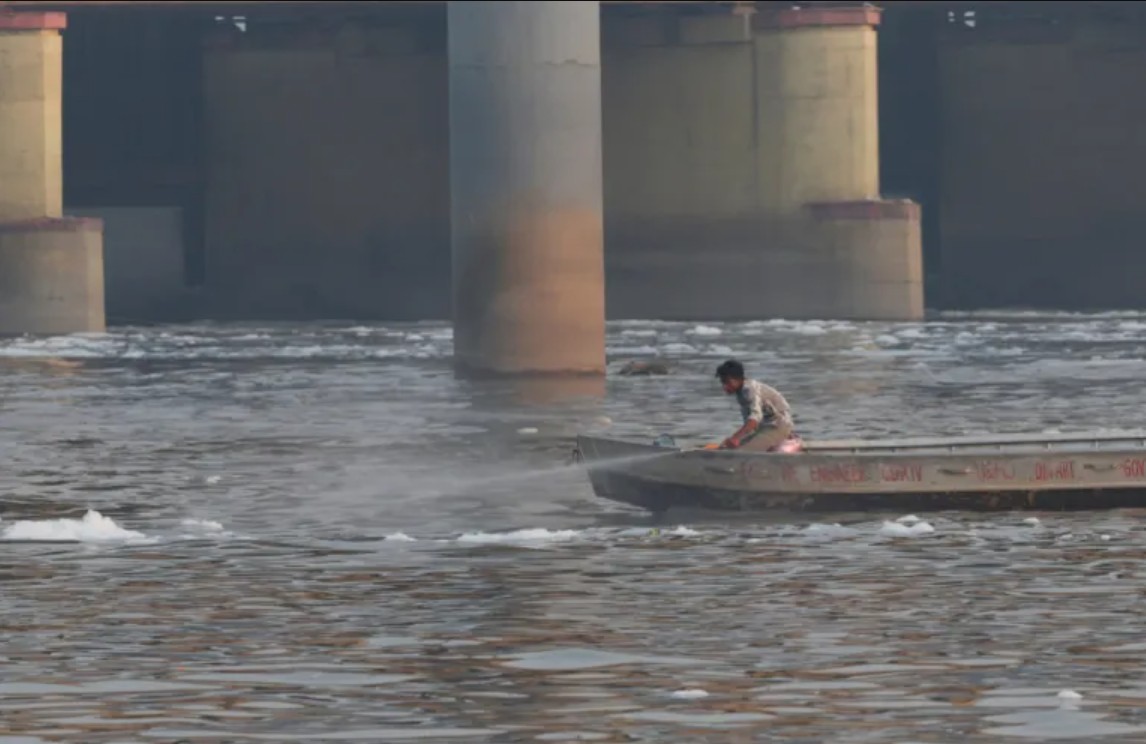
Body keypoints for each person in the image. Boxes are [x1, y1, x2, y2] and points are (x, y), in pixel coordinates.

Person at [714, 359, 796, 452]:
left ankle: (786, 439)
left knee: (741, 452)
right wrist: (733, 440)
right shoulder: (740, 393)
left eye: (727, 382)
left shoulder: (750, 390)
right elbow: (750, 425)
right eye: (723, 382)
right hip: (765, 427)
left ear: (738, 379)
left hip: (778, 426)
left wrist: (736, 437)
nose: (725, 386)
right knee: (728, 448)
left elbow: (755, 418)